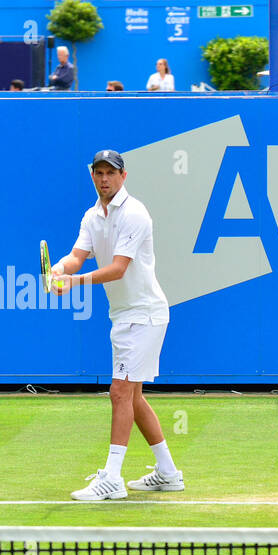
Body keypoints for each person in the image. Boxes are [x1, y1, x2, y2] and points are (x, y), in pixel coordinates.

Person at [49, 150, 184, 500]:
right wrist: (61, 270)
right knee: (134, 397)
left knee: (120, 392)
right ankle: (168, 472)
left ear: (124, 176)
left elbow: (119, 268)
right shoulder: (92, 216)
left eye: (111, 172)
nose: (104, 178)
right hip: (123, 315)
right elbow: (78, 256)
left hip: (144, 315)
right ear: (92, 176)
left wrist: (74, 284)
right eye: (99, 172)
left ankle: (111, 477)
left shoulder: (135, 214)